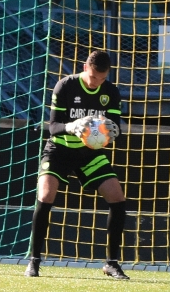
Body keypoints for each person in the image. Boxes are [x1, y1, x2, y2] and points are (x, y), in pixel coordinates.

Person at [25, 49, 129, 280]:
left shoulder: (110, 91)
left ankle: (111, 264)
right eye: (93, 78)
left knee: (117, 197)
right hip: (59, 149)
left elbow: (116, 128)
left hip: (90, 153)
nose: (96, 83)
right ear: (85, 68)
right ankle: (34, 261)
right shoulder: (65, 86)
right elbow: (52, 127)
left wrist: (112, 132)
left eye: (101, 79)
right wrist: (73, 126)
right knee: (45, 195)